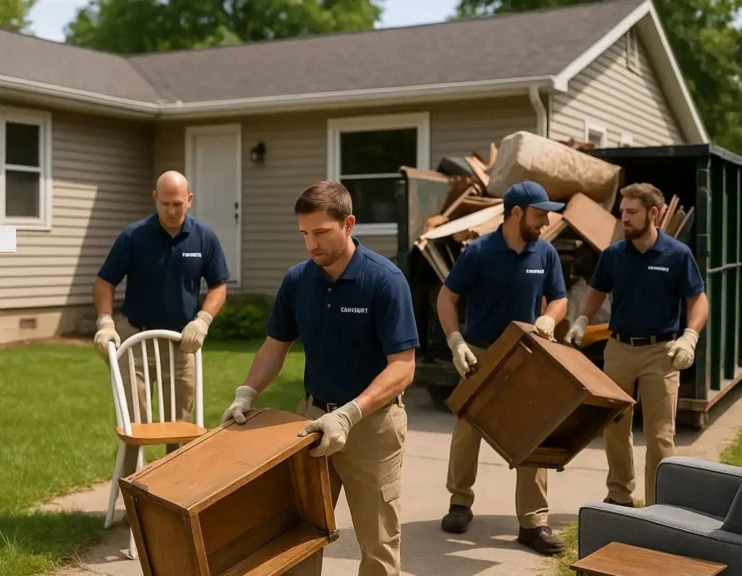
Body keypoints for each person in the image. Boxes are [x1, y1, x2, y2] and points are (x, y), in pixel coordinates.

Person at [220, 181, 418, 576]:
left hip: (371, 428)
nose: (311, 245)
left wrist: (348, 415)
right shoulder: (298, 280)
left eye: (321, 233)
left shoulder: (385, 280)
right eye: (304, 234)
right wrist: (246, 393)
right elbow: (275, 346)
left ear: (348, 224)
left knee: (378, 545)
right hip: (311, 423)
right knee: (297, 536)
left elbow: (403, 366)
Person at [437, 180, 569, 556]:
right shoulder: (478, 252)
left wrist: (548, 318)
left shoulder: (545, 253)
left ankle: (533, 522)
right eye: (539, 213)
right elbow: (447, 297)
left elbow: (558, 298)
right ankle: (460, 503)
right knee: (467, 431)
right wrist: (455, 341)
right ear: (516, 213)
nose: (545, 221)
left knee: (534, 434)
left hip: (527, 355)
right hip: (481, 353)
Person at [565, 182, 708, 508]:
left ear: (653, 214)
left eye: (631, 212)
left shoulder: (677, 254)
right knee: (614, 428)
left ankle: (659, 506)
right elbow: (596, 290)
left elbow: (698, 299)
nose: (624, 218)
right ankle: (620, 496)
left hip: (662, 352)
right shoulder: (614, 254)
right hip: (619, 350)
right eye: (622, 211)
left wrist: (690, 336)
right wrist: (582, 319)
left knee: (660, 436)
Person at [94, 170, 231, 474]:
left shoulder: (204, 237)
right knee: (134, 426)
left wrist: (204, 320)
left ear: (190, 201)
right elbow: (105, 282)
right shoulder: (134, 236)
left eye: (178, 204)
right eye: (166, 203)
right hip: (135, 341)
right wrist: (105, 322)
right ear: (155, 198)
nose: (172, 211)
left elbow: (219, 285)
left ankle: (174, 495)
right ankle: (134, 495)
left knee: (180, 425)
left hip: (182, 341)